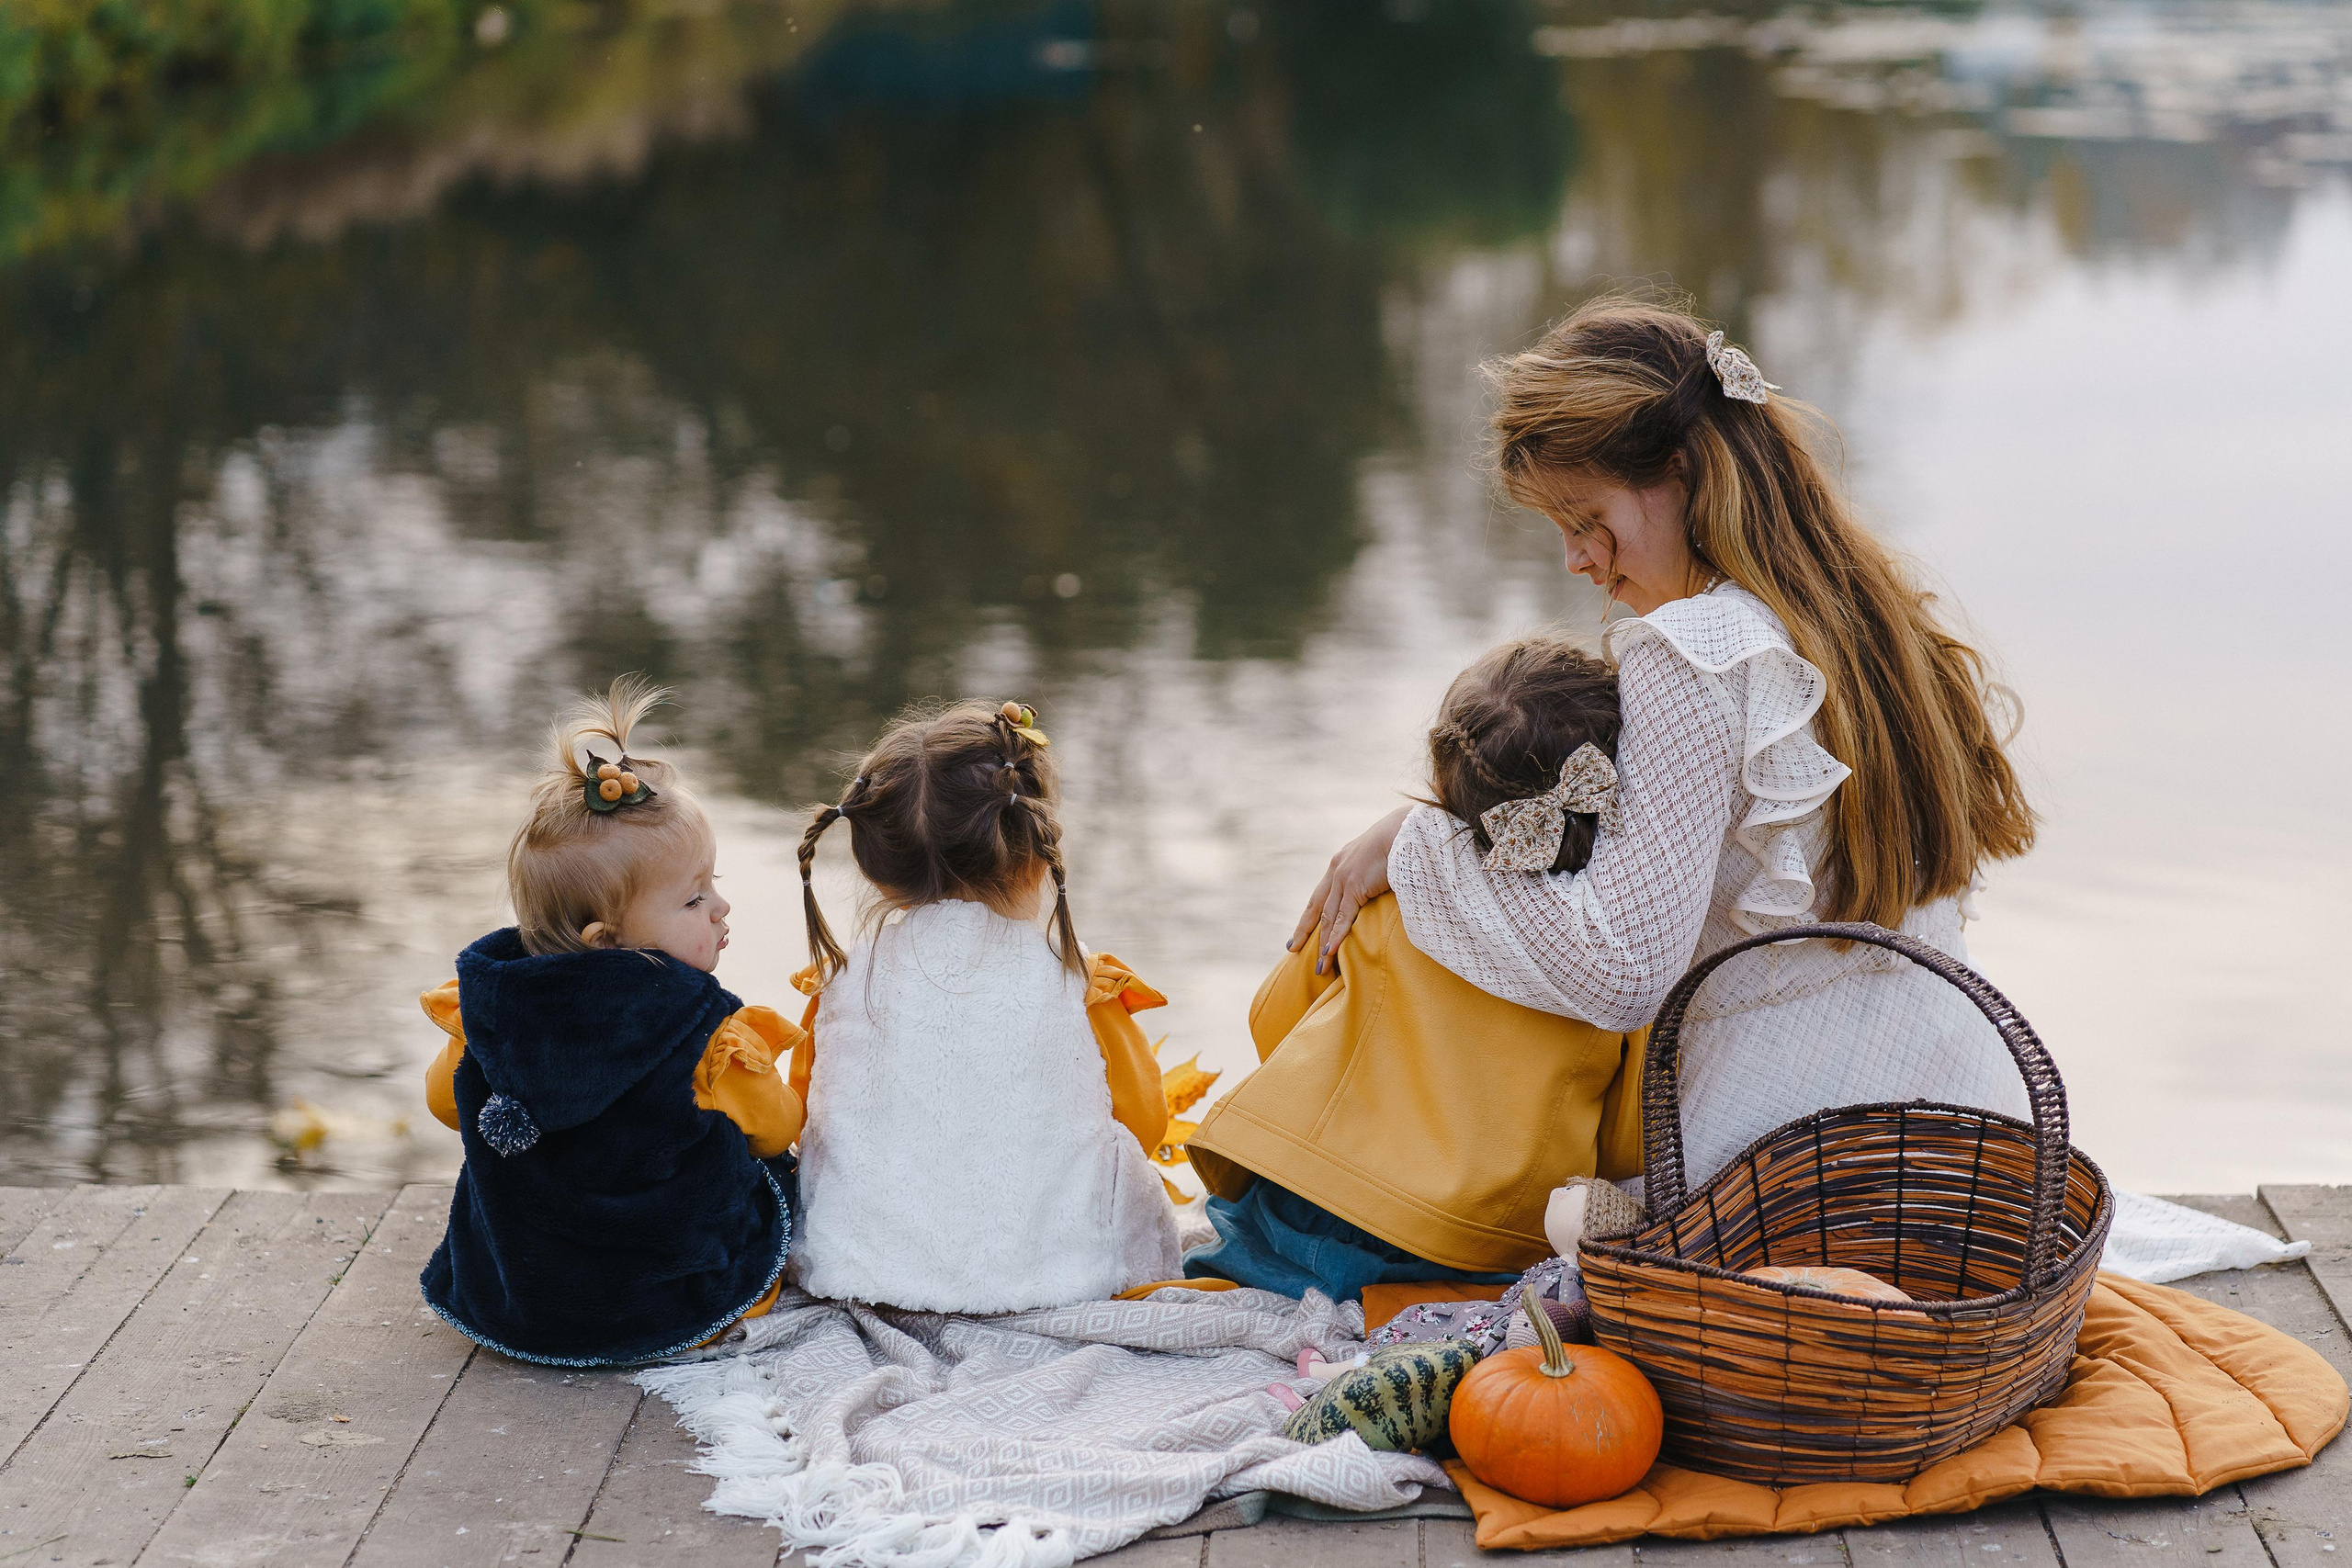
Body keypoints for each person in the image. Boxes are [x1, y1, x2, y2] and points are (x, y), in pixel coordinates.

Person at [1295, 294, 2042, 1203]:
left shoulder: (1691, 651)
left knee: (1552, 1230)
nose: (1575, 559)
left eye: (1585, 517)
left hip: (1796, 1153)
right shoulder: (1860, 609)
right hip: (1969, 1128)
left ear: (1679, 470)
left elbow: (1622, 972)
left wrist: (1425, 846)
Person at [1184, 636, 1646, 1302]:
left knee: (1255, 1228)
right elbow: (1629, 1140)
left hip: (1311, 1208)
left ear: (1446, 787)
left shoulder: (1389, 890)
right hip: (1476, 1240)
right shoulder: (1616, 957)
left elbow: (1273, 1021)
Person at [420, 678, 803, 1365]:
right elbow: (776, 1127)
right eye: (694, 899)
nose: (721, 907)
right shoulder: (702, 1031)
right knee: (774, 1173)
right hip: (666, 1302)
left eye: (713, 885)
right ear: (607, 940)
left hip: (515, 1303)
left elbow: (446, 1105)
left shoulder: (488, 1013)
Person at [789, 699, 1183, 1312]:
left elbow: (804, 1116)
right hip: (1060, 1279)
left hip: (858, 1270)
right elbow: (1146, 1122)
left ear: (876, 867)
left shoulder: (841, 983)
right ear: (1034, 856)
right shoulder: (1079, 983)